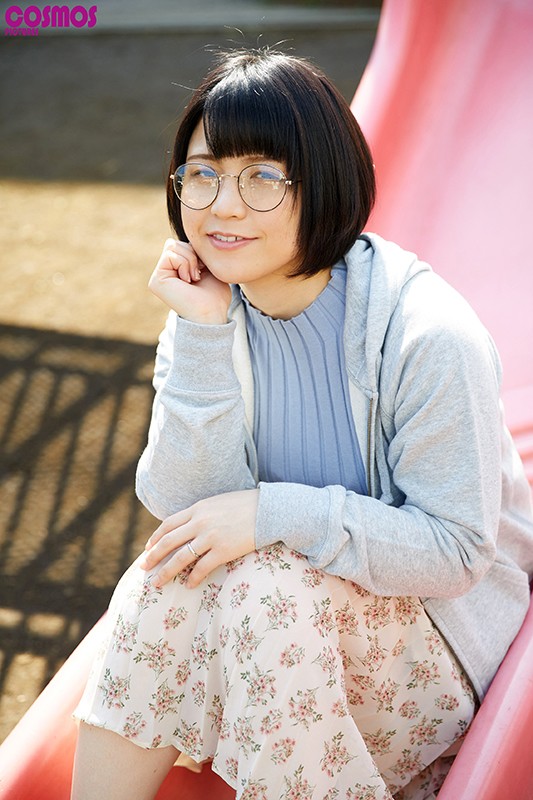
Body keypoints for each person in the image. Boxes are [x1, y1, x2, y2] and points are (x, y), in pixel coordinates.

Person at [71, 48, 533, 800]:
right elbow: (183, 508)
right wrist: (202, 338)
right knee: (170, 574)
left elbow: (455, 551)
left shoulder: (425, 335)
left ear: (323, 183)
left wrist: (272, 512)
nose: (222, 206)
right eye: (202, 174)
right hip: (286, 647)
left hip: (437, 660)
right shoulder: (209, 313)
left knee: (265, 585)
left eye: (261, 177)